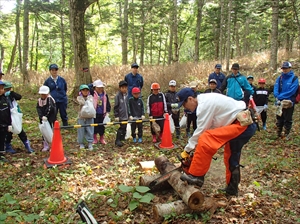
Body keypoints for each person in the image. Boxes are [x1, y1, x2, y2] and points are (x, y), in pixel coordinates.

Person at [176, 88, 256, 196]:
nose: (185, 108)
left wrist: (187, 150)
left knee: (206, 139)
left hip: (242, 124)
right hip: (239, 123)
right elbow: (212, 126)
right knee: (230, 157)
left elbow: (201, 131)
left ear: (190, 99)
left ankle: (197, 176)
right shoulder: (205, 100)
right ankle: (232, 189)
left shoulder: (204, 105)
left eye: (184, 104)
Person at [3, 82, 34, 154]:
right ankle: (8, 145)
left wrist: (12, 93)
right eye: (6, 89)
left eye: (9, 89)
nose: (7, 91)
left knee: (20, 130)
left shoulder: (11, 95)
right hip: (6, 117)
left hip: (14, 115)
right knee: (8, 132)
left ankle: (26, 144)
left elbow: (19, 97)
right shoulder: (2, 97)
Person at [273, 61, 299, 139]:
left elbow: (292, 91)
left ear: (290, 68)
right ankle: (278, 132)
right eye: (283, 68)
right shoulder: (279, 78)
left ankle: (286, 133)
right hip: (279, 101)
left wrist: (281, 96)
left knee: (288, 118)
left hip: (289, 101)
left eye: (286, 68)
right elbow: (276, 88)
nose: (284, 70)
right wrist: (277, 96)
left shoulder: (294, 78)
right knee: (279, 117)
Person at [36, 85, 57, 152]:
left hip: (51, 119)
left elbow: (50, 108)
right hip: (43, 120)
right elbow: (38, 109)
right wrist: (41, 116)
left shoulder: (50, 99)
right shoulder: (39, 101)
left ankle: (53, 145)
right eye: (42, 94)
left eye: (44, 94)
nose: (43, 95)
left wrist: (46, 116)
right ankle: (46, 145)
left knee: (51, 132)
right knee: (44, 132)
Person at [77, 84, 95, 150]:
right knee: (81, 130)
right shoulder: (79, 98)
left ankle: (90, 143)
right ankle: (81, 143)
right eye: (83, 90)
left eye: (86, 90)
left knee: (90, 129)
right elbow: (81, 103)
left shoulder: (90, 97)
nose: (85, 92)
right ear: (81, 91)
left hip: (90, 116)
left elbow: (92, 103)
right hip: (81, 116)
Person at [93, 80, 111, 144]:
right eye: (98, 88)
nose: (100, 89)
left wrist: (107, 112)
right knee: (95, 126)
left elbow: (108, 104)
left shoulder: (105, 95)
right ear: (95, 88)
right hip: (95, 113)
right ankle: (94, 138)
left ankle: (101, 138)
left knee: (102, 126)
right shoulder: (93, 94)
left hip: (102, 113)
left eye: (101, 87)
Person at [114, 80, 129, 147]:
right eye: (123, 88)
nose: (124, 89)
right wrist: (116, 115)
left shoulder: (127, 95)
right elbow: (116, 106)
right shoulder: (118, 96)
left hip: (126, 115)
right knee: (121, 127)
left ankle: (122, 139)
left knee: (125, 127)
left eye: (125, 87)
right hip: (121, 115)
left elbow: (129, 105)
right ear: (120, 88)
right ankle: (117, 140)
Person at [0, 80, 12, 162]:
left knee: (2, 139)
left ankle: (1, 154)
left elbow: (8, 112)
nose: (2, 90)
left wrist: (9, 124)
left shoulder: (5, 99)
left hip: (4, 125)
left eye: (2, 88)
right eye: (0, 88)